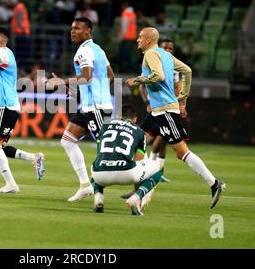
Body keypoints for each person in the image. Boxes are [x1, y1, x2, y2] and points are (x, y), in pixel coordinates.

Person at [125, 27, 225, 209]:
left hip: (165, 111)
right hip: (156, 111)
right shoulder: (165, 55)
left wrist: (137, 80)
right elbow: (187, 70)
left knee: (181, 152)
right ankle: (140, 188)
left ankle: (214, 183)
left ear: (148, 39)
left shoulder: (150, 54)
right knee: (136, 142)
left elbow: (158, 76)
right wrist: (183, 96)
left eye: (140, 37)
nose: (137, 40)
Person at [0, 19, 45, 193]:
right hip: (8, 106)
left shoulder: (2, 53)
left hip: (4, 106)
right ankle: (34, 158)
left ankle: (11, 184)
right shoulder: (4, 53)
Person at [46, 17, 115, 202]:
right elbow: (110, 76)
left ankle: (140, 179)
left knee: (107, 151)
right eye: (71, 28)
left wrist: (62, 82)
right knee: (67, 141)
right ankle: (85, 185)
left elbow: (87, 76)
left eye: (76, 28)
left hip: (95, 109)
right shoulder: (98, 49)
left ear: (88, 31)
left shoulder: (84, 51)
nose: (72, 31)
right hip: (89, 107)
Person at [91, 105, 164, 215]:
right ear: (135, 119)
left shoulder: (104, 126)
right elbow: (139, 160)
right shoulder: (139, 132)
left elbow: (99, 153)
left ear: (118, 116)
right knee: (160, 168)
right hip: (127, 174)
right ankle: (137, 197)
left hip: (100, 176)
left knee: (95, 165)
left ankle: (98, 197)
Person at [138, 38, 184, 175]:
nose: (168, 50)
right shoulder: (152, 62)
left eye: (170, 48)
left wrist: (179, 104)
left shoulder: (174, 67)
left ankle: (155, 170)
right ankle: (147, 168)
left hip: (169, 108)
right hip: (157, 107)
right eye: (165, 48)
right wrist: (147, 103)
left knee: (163, 139)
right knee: (146, 139)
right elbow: (142, 84)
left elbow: (176, 88)